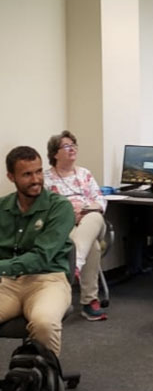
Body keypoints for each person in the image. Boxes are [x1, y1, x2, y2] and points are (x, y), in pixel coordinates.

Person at [0, 146, 75, 356]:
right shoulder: (2, 207)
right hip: (8, 283)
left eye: (39, 171)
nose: (36, 179)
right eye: (27, 174)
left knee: (45, 323)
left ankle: (43, 384)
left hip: (48, 280)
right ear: (10, 176)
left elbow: (41, 257)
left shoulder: (59, 207)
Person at [44, 130, 108, 321]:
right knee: (94, 247)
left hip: (91, 221)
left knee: (95, 217)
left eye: (73, 145)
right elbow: (45, 209)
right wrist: (68, 214)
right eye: (66, 146)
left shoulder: (84, 174)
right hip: (65, 225)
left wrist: (87, 209)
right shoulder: (47, 179)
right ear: (55, 153)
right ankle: (89, 302)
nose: (72, 148)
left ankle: (76, 264)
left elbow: (100, 200)